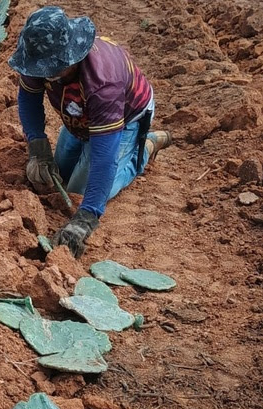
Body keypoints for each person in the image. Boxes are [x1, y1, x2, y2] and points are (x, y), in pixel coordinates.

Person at [9, 6, 172, 258]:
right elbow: (29, 100)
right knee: (57, 175)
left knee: (81, 192)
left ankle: (144, 148)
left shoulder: (103, 83)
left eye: (51, 71)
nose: (45, 76)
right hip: (79, 114)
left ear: (70, 58)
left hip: (126, 116)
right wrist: (38, 149)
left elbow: (103, 158)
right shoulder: (39, 56)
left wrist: (86, 217)